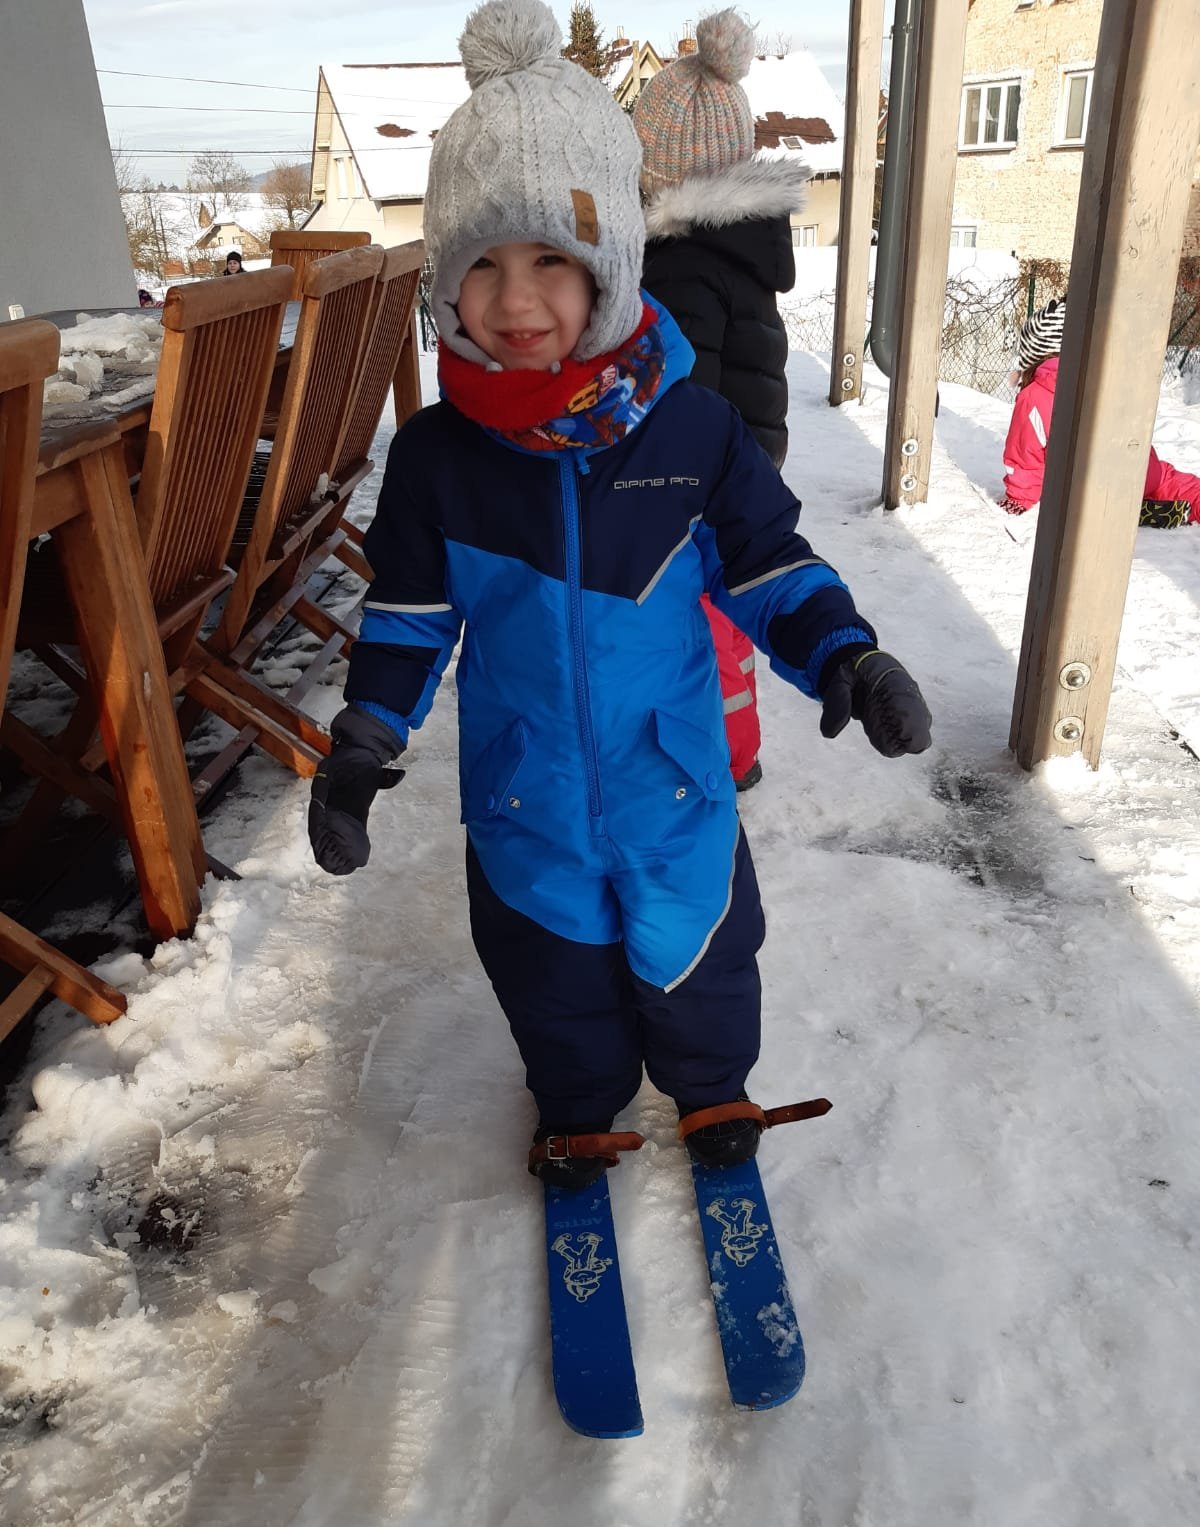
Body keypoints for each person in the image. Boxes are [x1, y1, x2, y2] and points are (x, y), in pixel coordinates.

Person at [307, 0, 933, 1192]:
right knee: (552, 974)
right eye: (481, 264)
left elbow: (768, 562)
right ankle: (580, 1105)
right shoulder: (439, 457)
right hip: (525, 789)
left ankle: (711, 1090)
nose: (516, 299)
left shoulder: (690, 429)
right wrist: (365, 736)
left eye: (553, 258)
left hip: (672, 776)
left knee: (700, 950)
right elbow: (409, 613)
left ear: (612, 262)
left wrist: (846, 654)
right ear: (444, 282)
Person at [633, 10, 807, 792]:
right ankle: (737, 748)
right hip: (746, 455)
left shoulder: (681, 266)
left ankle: (724, 758)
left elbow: (682, 391)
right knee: (726, 610)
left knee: (700, 618)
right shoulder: (743, 249)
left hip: (699, 472)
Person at [1001, 298, 1200, 525]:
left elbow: (1024, 457)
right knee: (1168, 480)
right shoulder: (1108, 380)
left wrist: (1018, 500)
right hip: (1140, 472)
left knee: (1071, 480)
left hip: (1085, 489)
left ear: (1031, 354)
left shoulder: (1034, 396)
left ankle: (1119, 508)